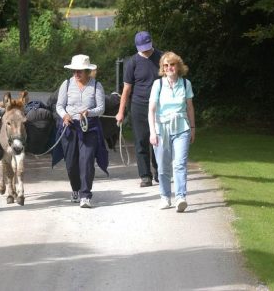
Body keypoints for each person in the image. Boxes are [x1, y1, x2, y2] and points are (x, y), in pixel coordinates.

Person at [52, 54, 108, 208]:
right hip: (70, 127)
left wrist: (89, 112)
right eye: (74, 71)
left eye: (80, 71)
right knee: (71, 162)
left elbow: (101, 108)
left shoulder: (97, 86)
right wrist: (64, 116)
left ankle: (85, 195)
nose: (76, 74)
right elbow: (59, 105)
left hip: (89, 127)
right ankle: (75, 189)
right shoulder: (66, 84)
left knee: (87, 160)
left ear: (87, 71)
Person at [148, 51, 195, 212]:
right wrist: (152, 132)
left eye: (172, 64)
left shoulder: (186, 84)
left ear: (178, 66)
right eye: (166, 65)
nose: (169, 68)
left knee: (180, 164)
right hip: (162, 128)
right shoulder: (158, 84)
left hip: (182, 127)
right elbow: (151, 110)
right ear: (162, 68)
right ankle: (165, 197)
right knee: (162, 166)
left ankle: (181, 197)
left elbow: (189, 107)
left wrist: (193, 129)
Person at [115, 31, 163, 187]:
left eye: (147, 47)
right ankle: (145, 176)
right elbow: (126, 90)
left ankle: (159, 172)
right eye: (142, 48)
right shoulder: (132, 62)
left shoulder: (162, 58)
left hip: (159, 105)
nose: (145, 50)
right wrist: (121, 112)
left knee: (158, 140)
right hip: (139, 105)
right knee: (141, 140)